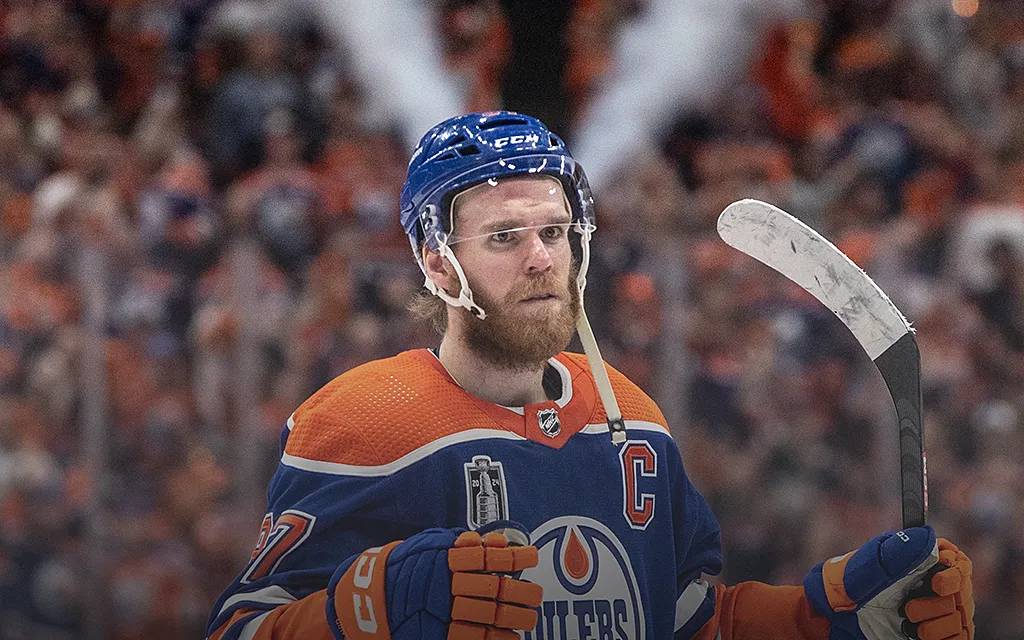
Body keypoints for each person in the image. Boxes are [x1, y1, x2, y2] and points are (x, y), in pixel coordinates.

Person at [206, 111, 975, 640]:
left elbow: (689, 622)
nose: (542, 258)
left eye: (555, 231)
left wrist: (826, 615)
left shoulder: (632, 418)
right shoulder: (365, 421)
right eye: (504, 237)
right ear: (439, 267)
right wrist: (365, 607)